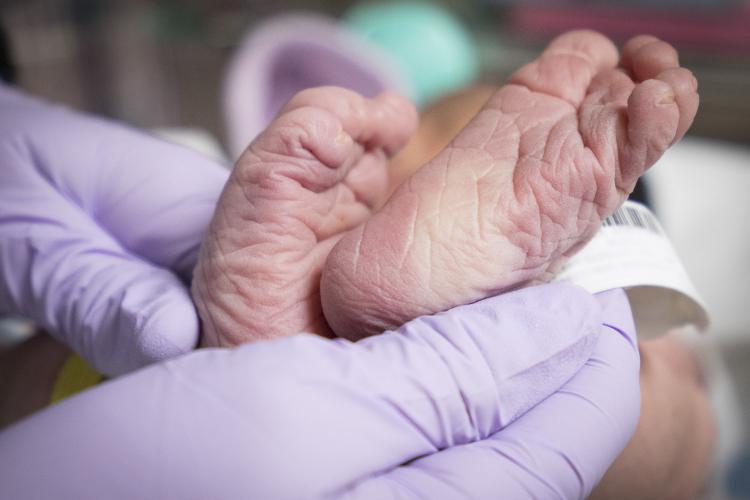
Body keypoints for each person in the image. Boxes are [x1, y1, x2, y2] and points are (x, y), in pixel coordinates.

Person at [0, 31, 707, 500]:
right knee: (650, 408)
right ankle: (324, 314)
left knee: (61, 372)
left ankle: (297, 326)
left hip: (125, 406)